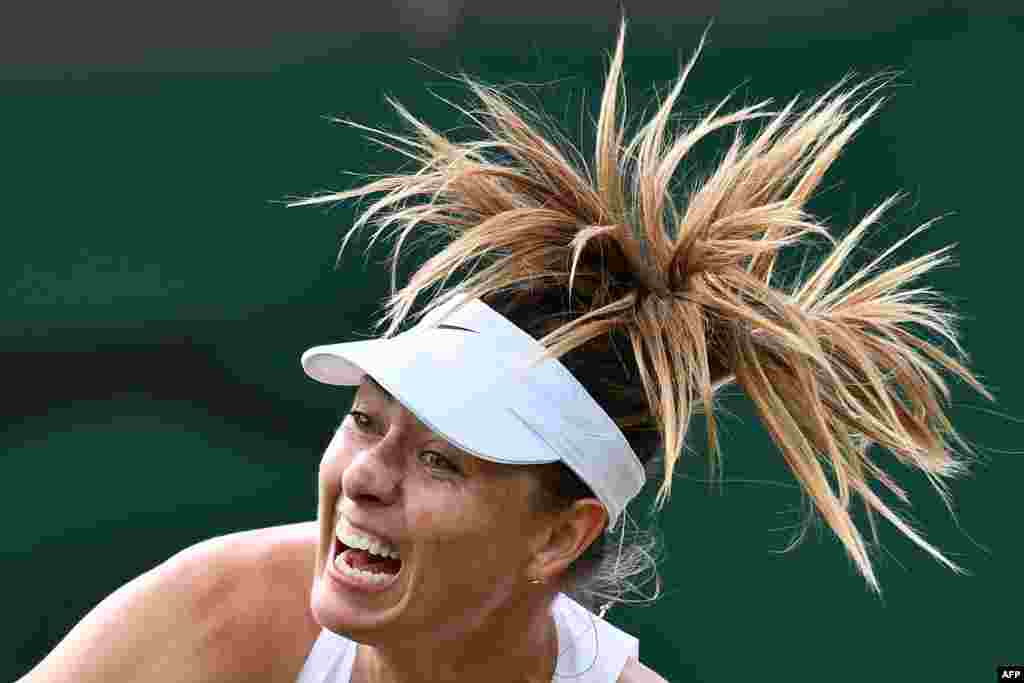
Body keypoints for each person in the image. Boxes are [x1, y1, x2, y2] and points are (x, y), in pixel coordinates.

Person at [18, 19, 990, 683]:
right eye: (364, 421)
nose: (365, 476)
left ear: (557, 535)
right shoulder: (223, 610)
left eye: (440, 457)